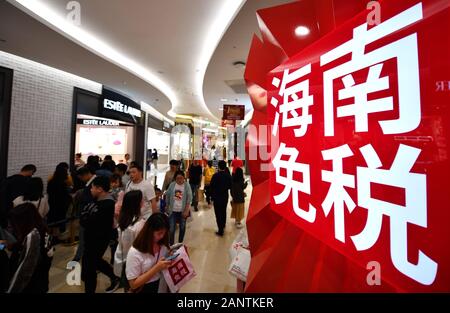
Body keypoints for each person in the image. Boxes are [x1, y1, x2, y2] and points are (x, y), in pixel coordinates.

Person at [81, 176, 119, 293]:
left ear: (100, 189)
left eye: (92, 188)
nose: (91, 190)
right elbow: (83, 218)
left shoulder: (108, 204)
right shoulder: (97, 201)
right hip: (91, 240)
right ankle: (114, 277)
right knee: (95, 263)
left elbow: (89, 222)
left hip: (98, 241)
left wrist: (86, 217)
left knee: (90, 269)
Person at [7, 203, 52, 293]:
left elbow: (24, 269)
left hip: (31, 286)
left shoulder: (33, 236)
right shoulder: (42, 229)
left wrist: (11, 290)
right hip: (41, 282)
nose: (12, 227)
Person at [126, 213, 172, 293]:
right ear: (150, 231)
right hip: (145, 288)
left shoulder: (163, 245)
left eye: (165, 233)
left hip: (162, 284)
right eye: (159, 233)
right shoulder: (135, 252)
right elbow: (133, 284)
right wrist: (157, 268)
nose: (162, 236)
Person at [114, 190, 145, 291]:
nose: (143, 201)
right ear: (137, 203)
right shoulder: (139, 224)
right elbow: (141, 247)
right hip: (133, 262)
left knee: (127, 287)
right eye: (141, 200)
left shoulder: (123, 218)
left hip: (121, 257)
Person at [72, 167, 96, 262]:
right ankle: (79, 257)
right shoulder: (91, 182)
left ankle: (78, 258)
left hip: (89, 215)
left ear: (86, 174)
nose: (81, 180)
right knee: (84, 238)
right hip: (87, 215)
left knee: (84, 237)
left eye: (81, 178)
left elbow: (90, 200)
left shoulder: (94, 182)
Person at [165, 171, 192, 245]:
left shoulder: (187, 185)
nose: (179, 180)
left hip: (182, 210)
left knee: (182, 228)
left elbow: (189, 199)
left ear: (184, 178)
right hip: (172, 210)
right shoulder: (172, 185)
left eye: (181, 178)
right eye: (177, 178)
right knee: (171, 229)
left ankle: (180, 243)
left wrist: (186, 210)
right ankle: (172, 245)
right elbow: (167, 195)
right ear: (175, 179)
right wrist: (167, 206)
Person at [47, 163, 72, 234]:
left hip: (52, 201)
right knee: (62, 217)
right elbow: (67, 193)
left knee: (51, 216)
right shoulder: (64, 183)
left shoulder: (51, 181)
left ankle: (50, 233)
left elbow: (48, 192)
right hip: (62, 203)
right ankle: (61, 232)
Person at [210, 161, 232, 237]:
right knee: (223, 211)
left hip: (216, 197)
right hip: (225, 196)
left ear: (218, 167)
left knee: (218, 213)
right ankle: (223, 224)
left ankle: (220, 230)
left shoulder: (215, 176)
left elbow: (211, 187)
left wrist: (211, 197)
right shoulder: (228, 176)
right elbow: (230, 186)